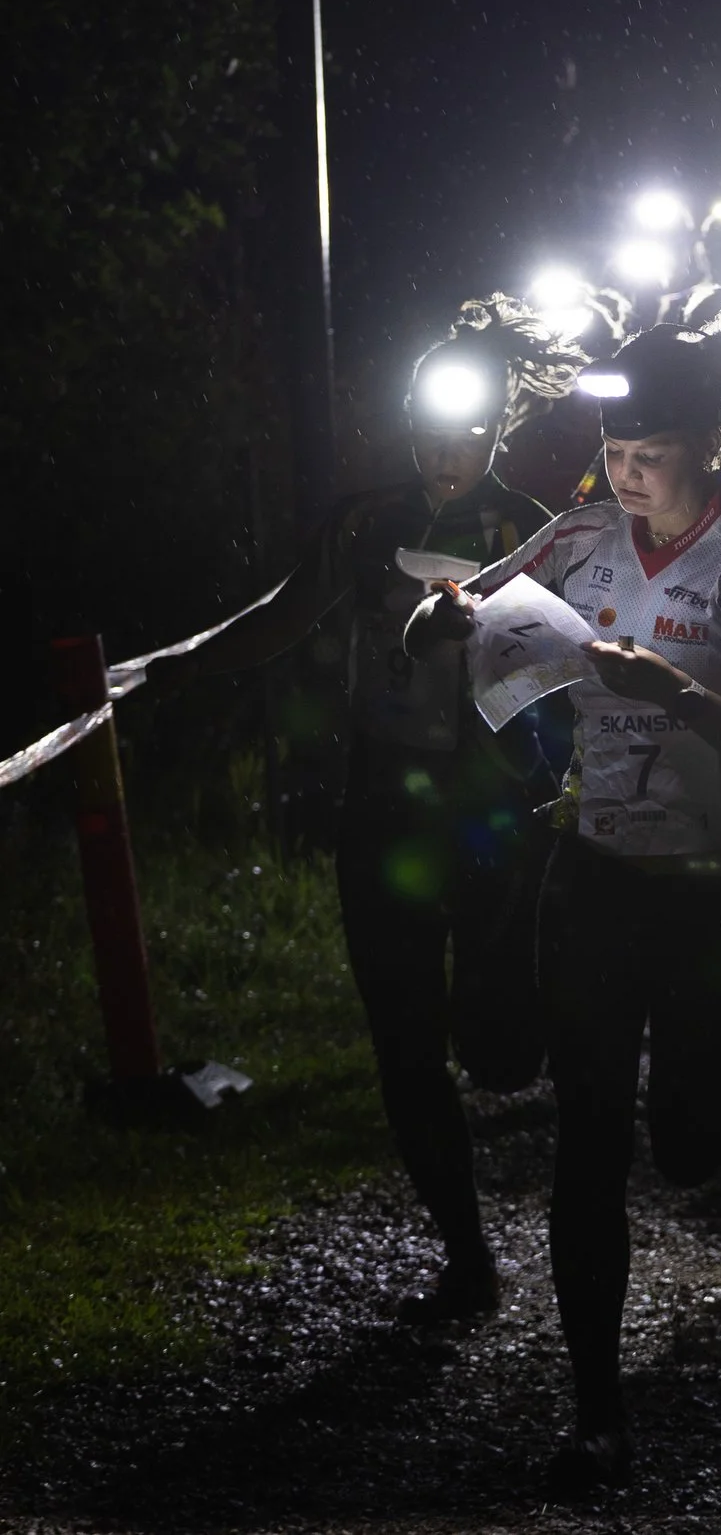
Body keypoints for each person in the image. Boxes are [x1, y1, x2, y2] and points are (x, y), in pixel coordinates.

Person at [405, 323, 721, 1491]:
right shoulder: (579, 534)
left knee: (687, 1147)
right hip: (594, 877)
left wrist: (683, 696)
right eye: (611, 442)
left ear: (707, 444)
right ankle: (596, 1410)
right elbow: (442, 617)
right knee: (587, 1139)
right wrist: (441, 623)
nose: (623, 468)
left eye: (647, 449)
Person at [154, 296, 582, 1323]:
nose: (448, 451)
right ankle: (465, 1250)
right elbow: (285, 615)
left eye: (470, 431)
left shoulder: (534, 529)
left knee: (501, 1047)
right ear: (406, 427)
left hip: (494, 809)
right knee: (403, 1036)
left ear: (497, 432)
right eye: (431, 431)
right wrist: (179, 665)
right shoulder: (364, 524)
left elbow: (579, 668)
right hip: (386, 800)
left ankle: (527, 1044)